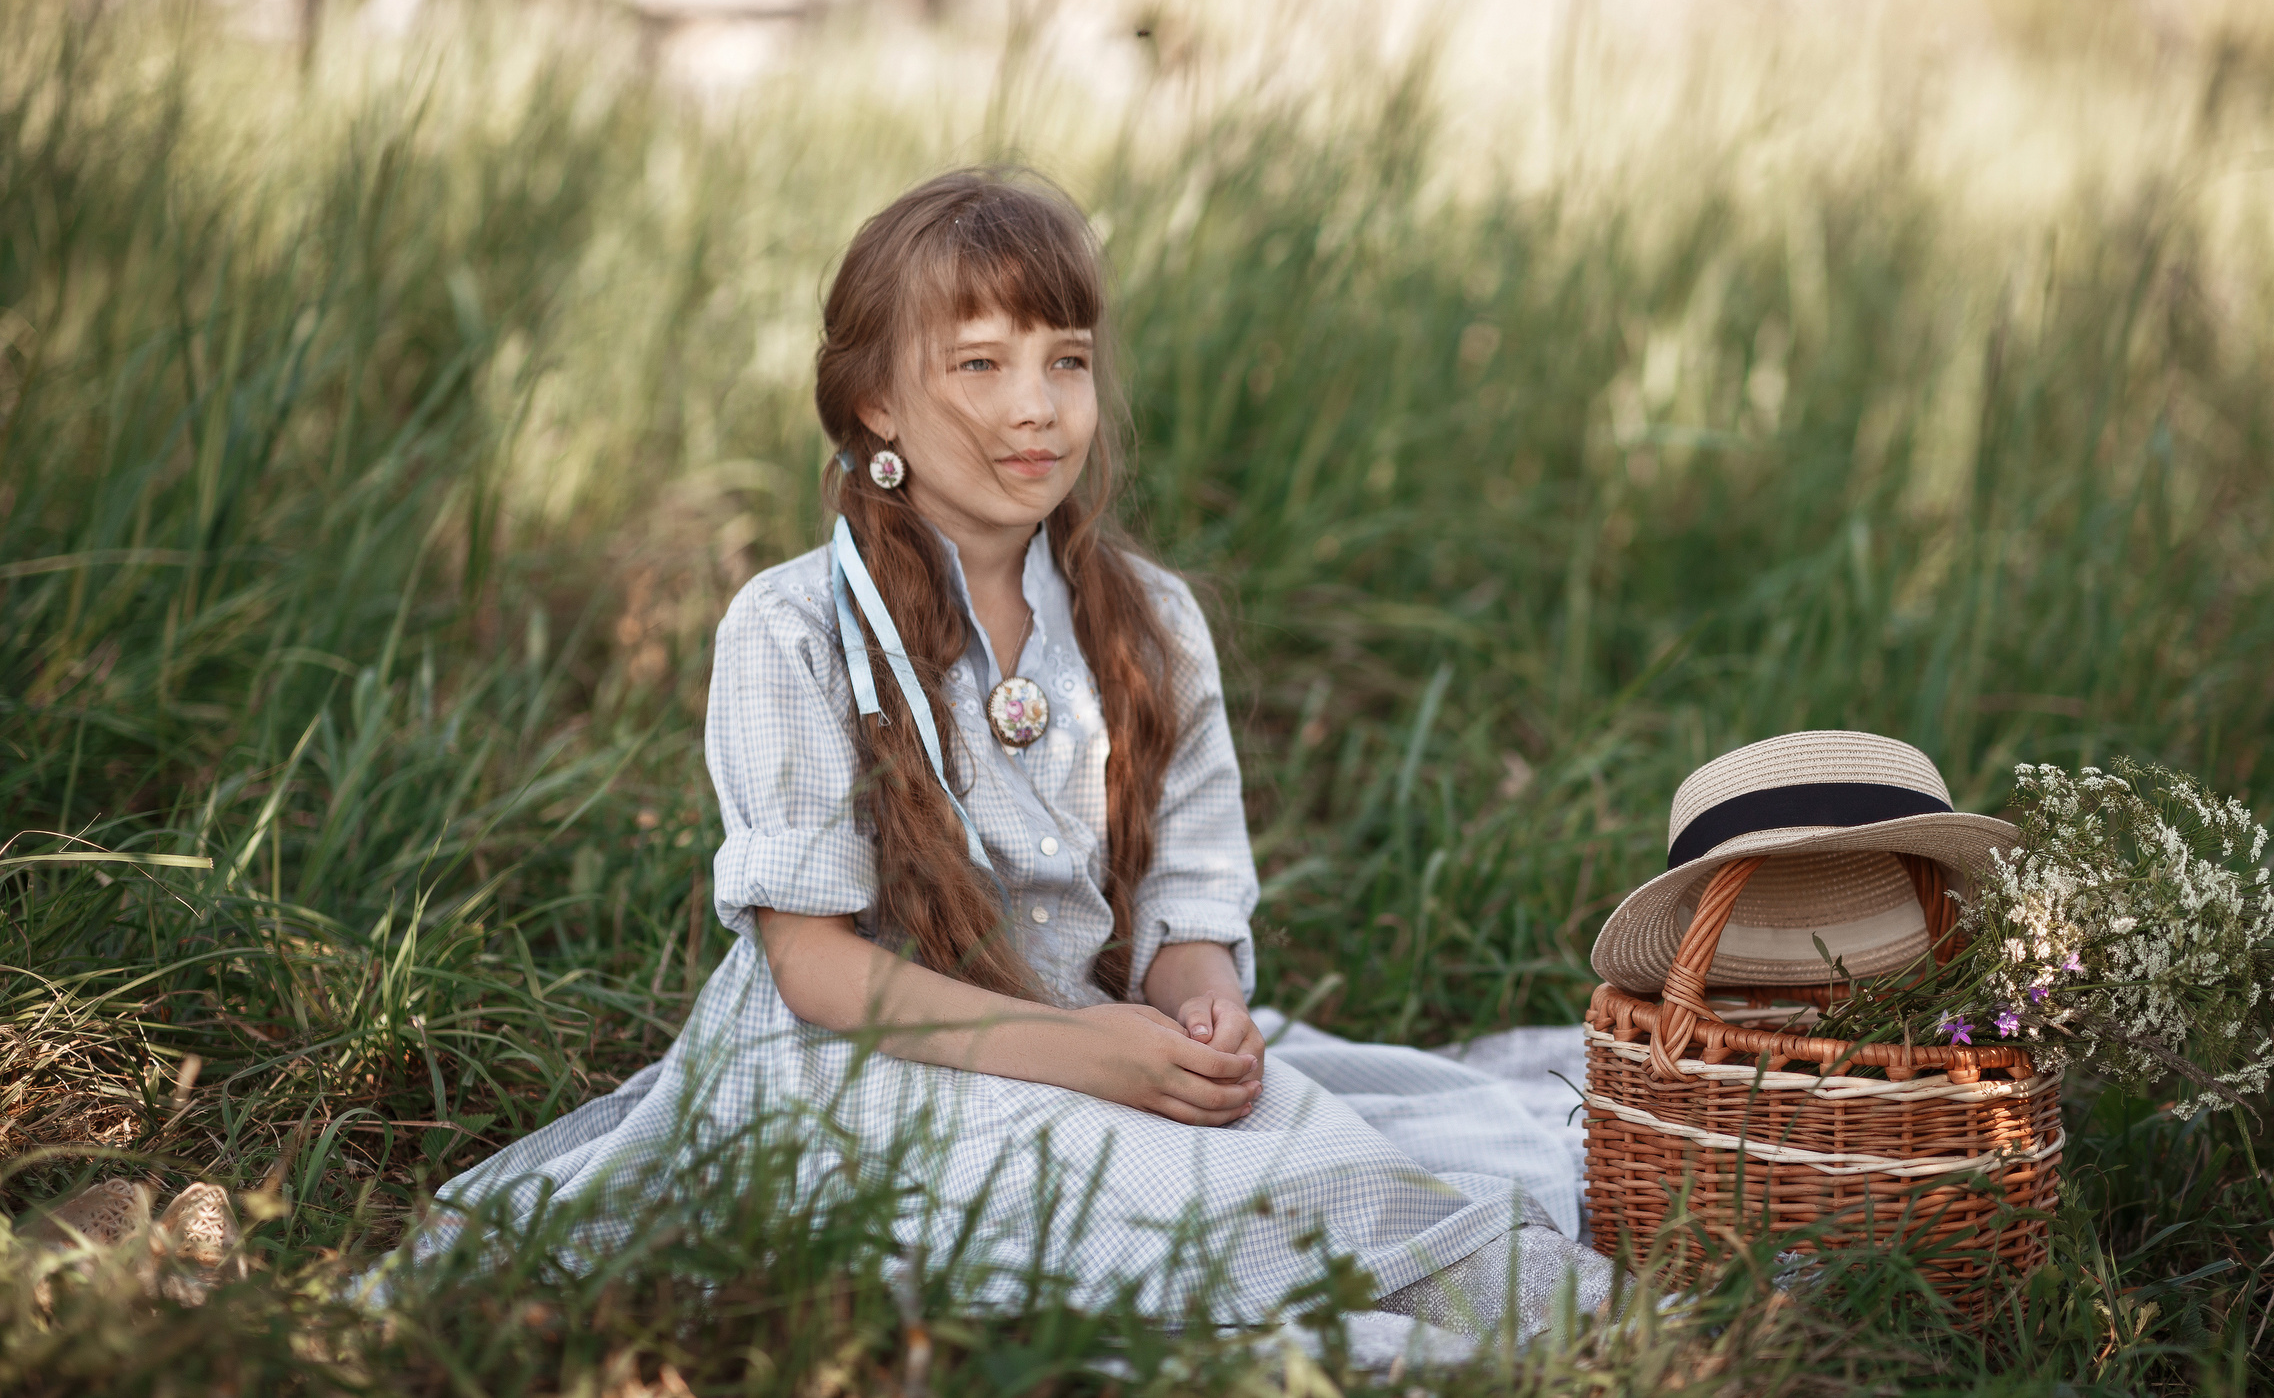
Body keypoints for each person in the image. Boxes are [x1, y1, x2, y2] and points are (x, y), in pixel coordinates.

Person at [426, 168, 1604, 1334]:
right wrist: (1079, 1056)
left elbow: (1185, 913)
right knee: (1193, 1218)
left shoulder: (1148, 623)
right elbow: (817, 973)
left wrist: (1203, 1019)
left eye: (1068, 360)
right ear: (877, 402)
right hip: (866, 1069)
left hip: (1098, 1037)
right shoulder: (794, 631)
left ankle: (1573, 1331)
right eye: (979, 364)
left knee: (1347, 1175)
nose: (1038, 407)